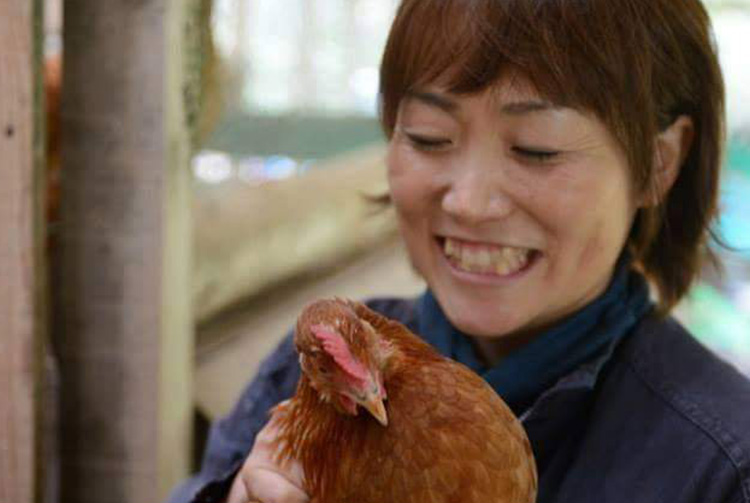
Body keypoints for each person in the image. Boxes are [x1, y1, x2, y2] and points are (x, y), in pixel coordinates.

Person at [169, 0, 750, 501]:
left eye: (536, 149)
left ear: (659, 163)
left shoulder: (720, 465)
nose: (470, 202)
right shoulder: (305, 379)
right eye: (429, 138)